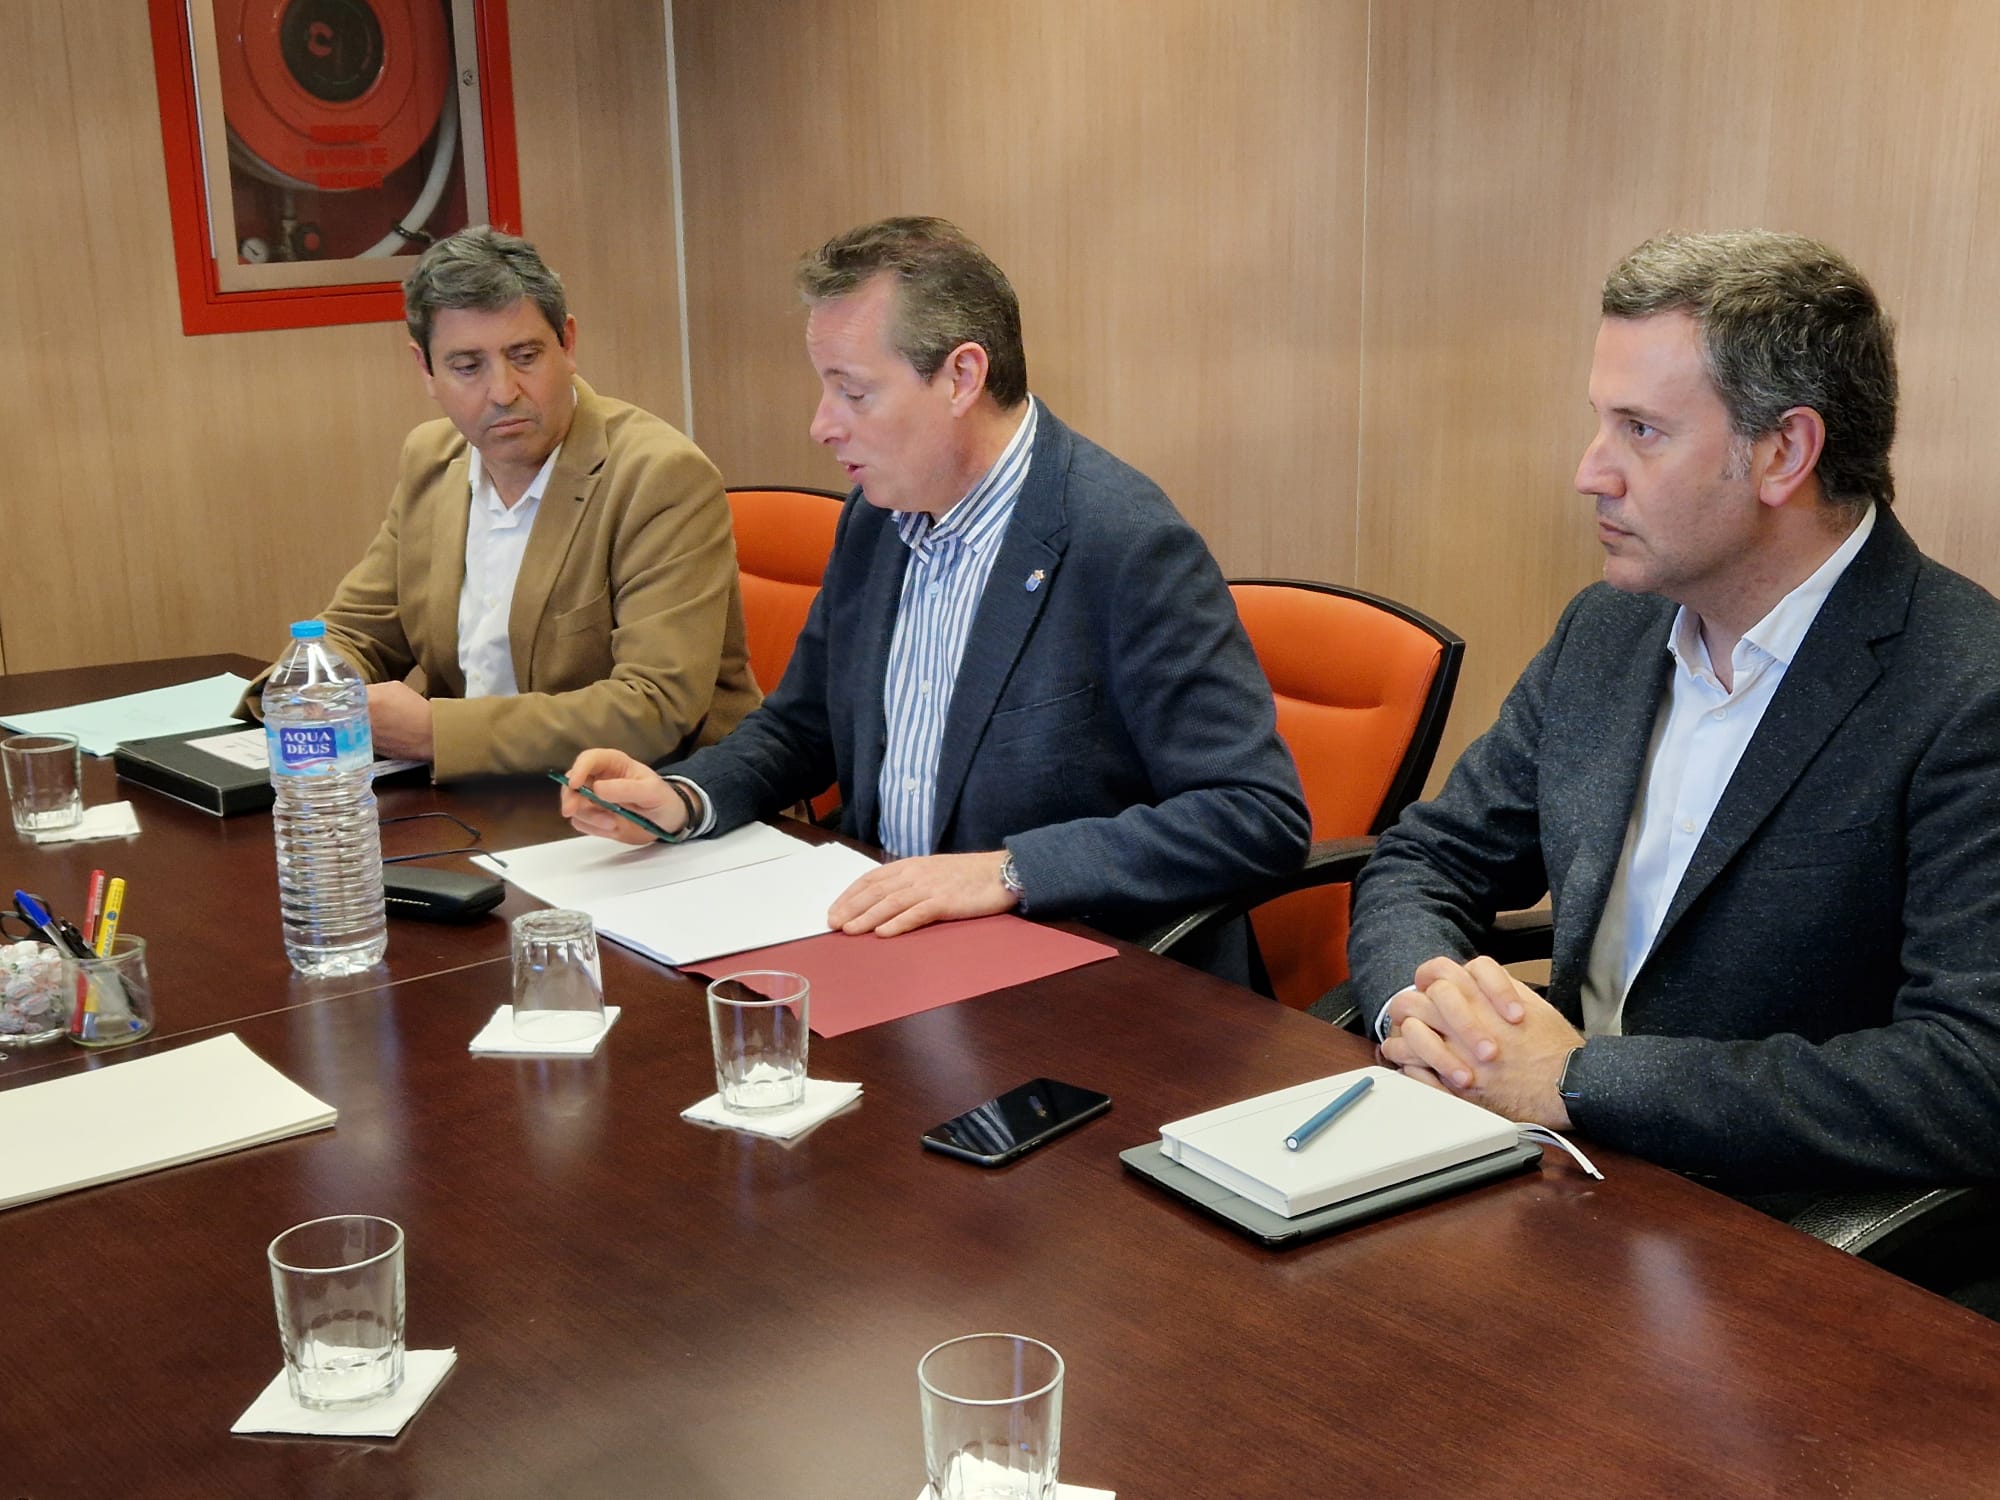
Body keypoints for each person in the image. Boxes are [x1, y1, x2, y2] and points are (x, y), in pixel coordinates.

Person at [1349, 229, 2000, 1193]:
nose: (1591, 472)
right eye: (1600, 422)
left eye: (1641, 431)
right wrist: (1428, 1010)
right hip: (1545, 1169)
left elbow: (1971, 1074)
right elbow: (1430, 858)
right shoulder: (1610, 627)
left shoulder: (1968, 688)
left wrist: (1580, 1082)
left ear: (1784, 452)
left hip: (1767, 1220)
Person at [561, 216, 1308, 954]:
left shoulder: (1124, 541)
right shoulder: (878, 517)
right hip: (888, 939)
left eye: (854, 393)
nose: (822, 425)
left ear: (961, 377)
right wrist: (683, 798)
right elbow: (803, 726)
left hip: (1074, 965)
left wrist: (1010, 871)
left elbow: (1254, 814)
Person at [241, 225, 760, 780]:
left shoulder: (659, 476)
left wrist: (437, 733)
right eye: (468, 366)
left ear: (568, 344)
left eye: (525, 355)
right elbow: (360, 630)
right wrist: (305, 695)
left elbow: (655, 706)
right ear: (426, 370)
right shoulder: (432, 458)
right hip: (479, 793)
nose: (503, 391)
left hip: (649, 797)